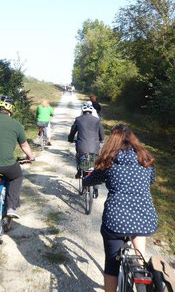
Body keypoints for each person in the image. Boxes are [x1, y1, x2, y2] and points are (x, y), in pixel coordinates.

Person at [83, 124, 157, 292]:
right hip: (144, 217)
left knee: (111, 264)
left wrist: (85, 181)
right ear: (133, 139)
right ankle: (140, 274)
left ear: (112, 141)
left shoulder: (109, 161)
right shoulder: (145, 160)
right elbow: (151, 180)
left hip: (116, 220)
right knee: (140, 260)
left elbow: (92, 180)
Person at [0, 95, 34, 220]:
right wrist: (30, 157)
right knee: (17, 176)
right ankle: (11, 207)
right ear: (11, 109)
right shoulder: (16, 124)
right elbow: (24, 145)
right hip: (7, 165)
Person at [67, 101, 104, 179]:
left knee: (79, 155)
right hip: (95, 147)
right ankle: (95, 188)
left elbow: (73, 131)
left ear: (82, 110)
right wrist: (101, 140)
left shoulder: (78, 119)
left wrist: (70, 139)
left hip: (82, 147)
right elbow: (102, 134)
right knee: (95, 161)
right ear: (91, 111)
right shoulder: (97, 120)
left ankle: (79, 171)